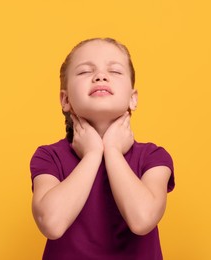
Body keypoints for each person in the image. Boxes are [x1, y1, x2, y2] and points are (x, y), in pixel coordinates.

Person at [30, 37, 175, 260]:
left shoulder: (153, 157)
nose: (100, 76)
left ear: (133, 99)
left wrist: (113, 152)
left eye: (115, 71)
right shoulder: (49, 157)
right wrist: (92, 154)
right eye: (85, 71)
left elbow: (142, 219)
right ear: (65, 99)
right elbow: (52, 223)